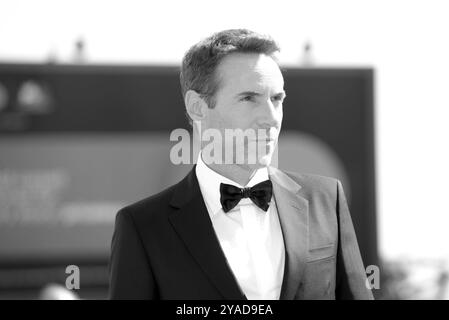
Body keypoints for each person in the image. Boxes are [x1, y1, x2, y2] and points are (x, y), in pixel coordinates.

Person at [108, 29, 373, 300]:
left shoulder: (327, 201)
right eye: (249, 98)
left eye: (276, 99)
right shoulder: (143, 227)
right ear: (197, 107)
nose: (271, 119)